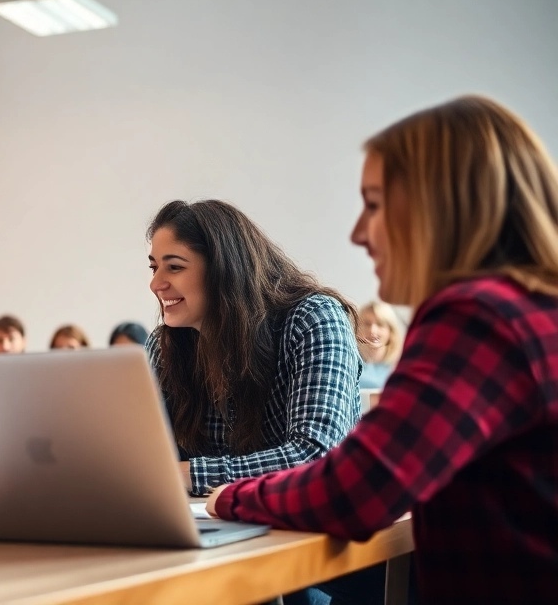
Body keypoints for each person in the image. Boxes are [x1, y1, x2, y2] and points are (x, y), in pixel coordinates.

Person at [208, 96, 558, 603]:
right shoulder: (534, 310)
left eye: (373, 204)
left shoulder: (477, 317)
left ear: (442, 206)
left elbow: (358, 489)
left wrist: (229, 498)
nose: (357, 233)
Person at [146, 199, 361, 497]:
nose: (156, 283)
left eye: (174, 267)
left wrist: (189, 474)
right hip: (219, 527)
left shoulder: (313, 320)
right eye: (154, 267)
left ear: (225, 269)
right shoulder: (165, 346)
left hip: (310, 530)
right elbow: (144, 463)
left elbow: (317, 458)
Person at [355, 301, 403, 389]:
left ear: (391, 332)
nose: (372, 330)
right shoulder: (349, 363)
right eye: (367, 324)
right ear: (357, 329)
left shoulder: (402, 367)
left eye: (380, 324)